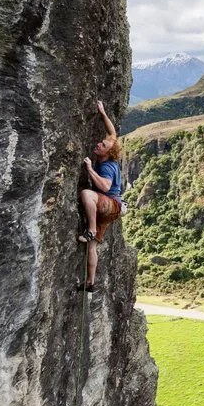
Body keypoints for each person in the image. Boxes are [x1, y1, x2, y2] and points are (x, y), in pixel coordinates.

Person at [77, 100, 124, 291]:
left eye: (102, 145)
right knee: (92, 248)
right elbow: (112, 133)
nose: (98, 144)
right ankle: (90, 282)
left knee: (87, 194)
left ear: (107, 152)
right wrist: (103, 113)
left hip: (110, 204)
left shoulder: (106, 166)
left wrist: (89, 169)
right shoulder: (109, 151)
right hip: (114, 209)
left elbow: (105, 186)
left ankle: (92, 229)